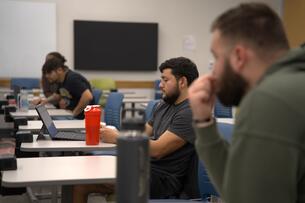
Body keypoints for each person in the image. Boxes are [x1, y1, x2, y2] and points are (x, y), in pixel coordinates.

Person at [188, 3, 305, 203]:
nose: (214, 70)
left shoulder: (269, 100)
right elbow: (239, 187)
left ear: (239, 56)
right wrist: (204, 122)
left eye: (216, 58)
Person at [73, 57, 199, 202]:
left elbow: (158, 150)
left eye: (165, 80)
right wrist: (112, 133)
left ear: (182, 82)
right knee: (80, 182)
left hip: (163, 179)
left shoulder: (190, 112)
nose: (160, 85)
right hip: (146, 167)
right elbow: (143, 132)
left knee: (83, 182)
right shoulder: (165, 104)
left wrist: (116, 137)